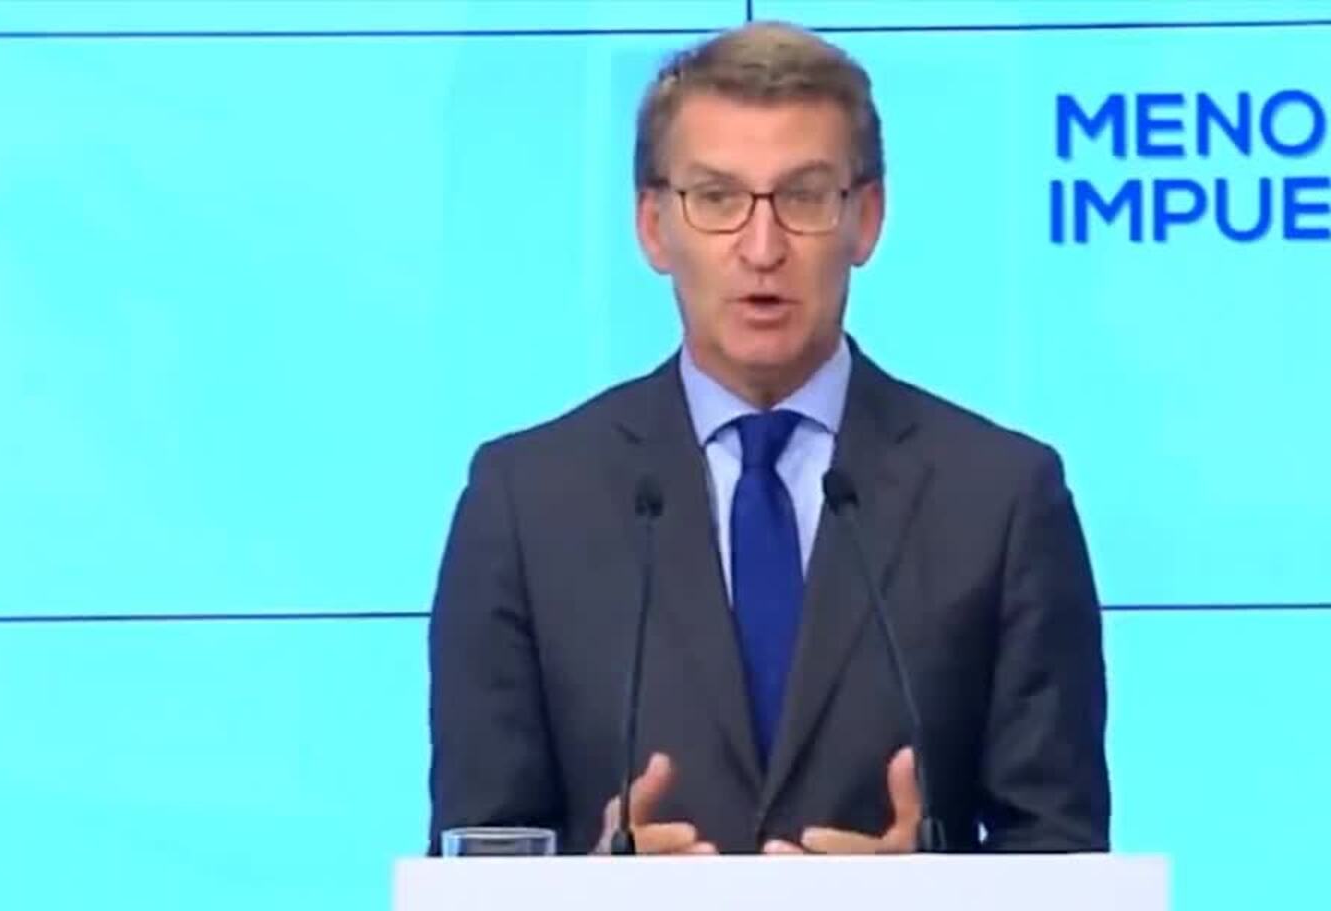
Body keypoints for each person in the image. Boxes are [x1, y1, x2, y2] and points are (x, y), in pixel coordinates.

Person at [427, 22, 1109, 857]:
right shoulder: (526, 505)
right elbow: (476, 867)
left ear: (866, 219)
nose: (761, 248)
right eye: (717, 199)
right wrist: (593, 891)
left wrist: (928, 906)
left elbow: (1065, 858)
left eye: (805, 197)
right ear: (653, 226)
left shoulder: (1001, 500)